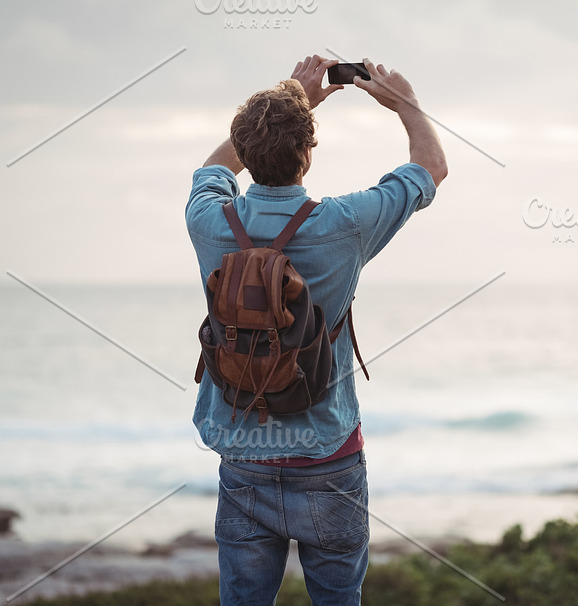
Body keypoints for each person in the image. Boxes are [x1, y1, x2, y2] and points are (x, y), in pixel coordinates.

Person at [185, 54, 447, 605]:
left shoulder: (210, 221)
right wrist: (405, 104)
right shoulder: (345, 224)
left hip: (243, 455)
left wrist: (290, 98)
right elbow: (430, 169)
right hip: (327, 455)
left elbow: (210, 171)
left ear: (246, 149)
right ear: (310, 152)